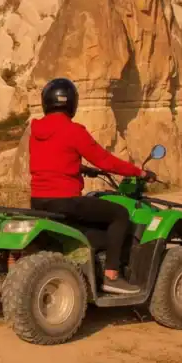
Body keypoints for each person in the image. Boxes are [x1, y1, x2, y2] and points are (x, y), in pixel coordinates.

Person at [28, 78, 157, 295]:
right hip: (65, 201)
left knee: (94, 232)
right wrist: (140, 172)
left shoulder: (36, 131)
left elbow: (50, 160)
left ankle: (90, 265)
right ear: (72, 104)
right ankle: (112, 276)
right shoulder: (73, 130)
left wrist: (79, 168)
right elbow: (105, 160)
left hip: (39, 200)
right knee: (119, 214)